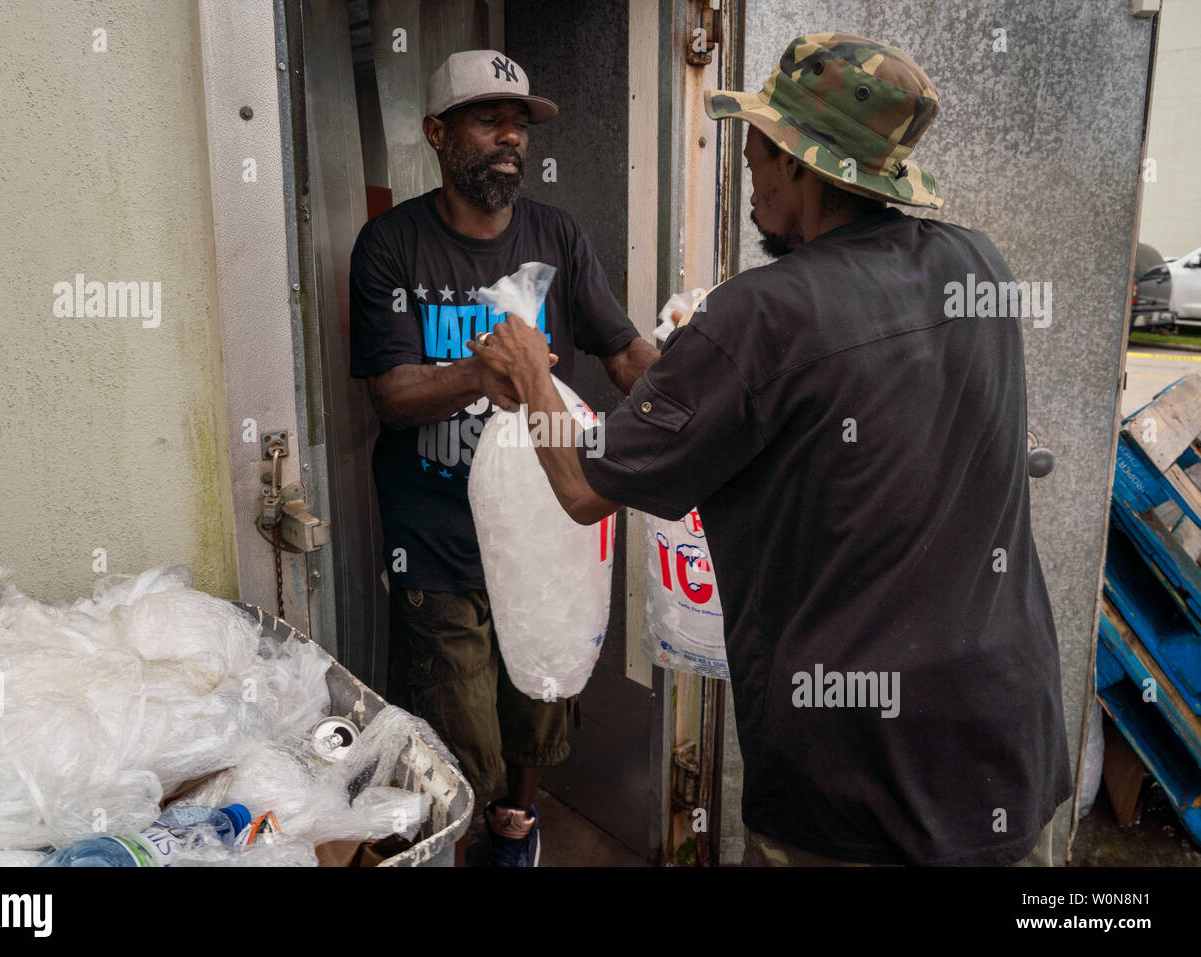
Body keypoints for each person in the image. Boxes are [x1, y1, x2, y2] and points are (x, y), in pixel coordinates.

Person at [468, 32, 1071, 866]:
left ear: (798, 164)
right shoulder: (977, 263)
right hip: (1008, 746)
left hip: (859, 787)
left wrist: (533, 376)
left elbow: (580, 487)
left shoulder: (762, 315)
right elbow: (844, 403)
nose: (747, 176)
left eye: (754, 155)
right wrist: (704, 364)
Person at [348, 48, 657, 867]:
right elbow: (391, 394)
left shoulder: (557, 236)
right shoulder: (390, 247)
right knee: (462, 741)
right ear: (437, 133)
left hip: (540, 538)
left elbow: (624, 352)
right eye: (489, 120)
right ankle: (457, 835)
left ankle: (517, 828)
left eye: (518, 122)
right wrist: (481, 373)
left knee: (540, 707)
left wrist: (695, 407)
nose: (510, 137)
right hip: (437, 539)